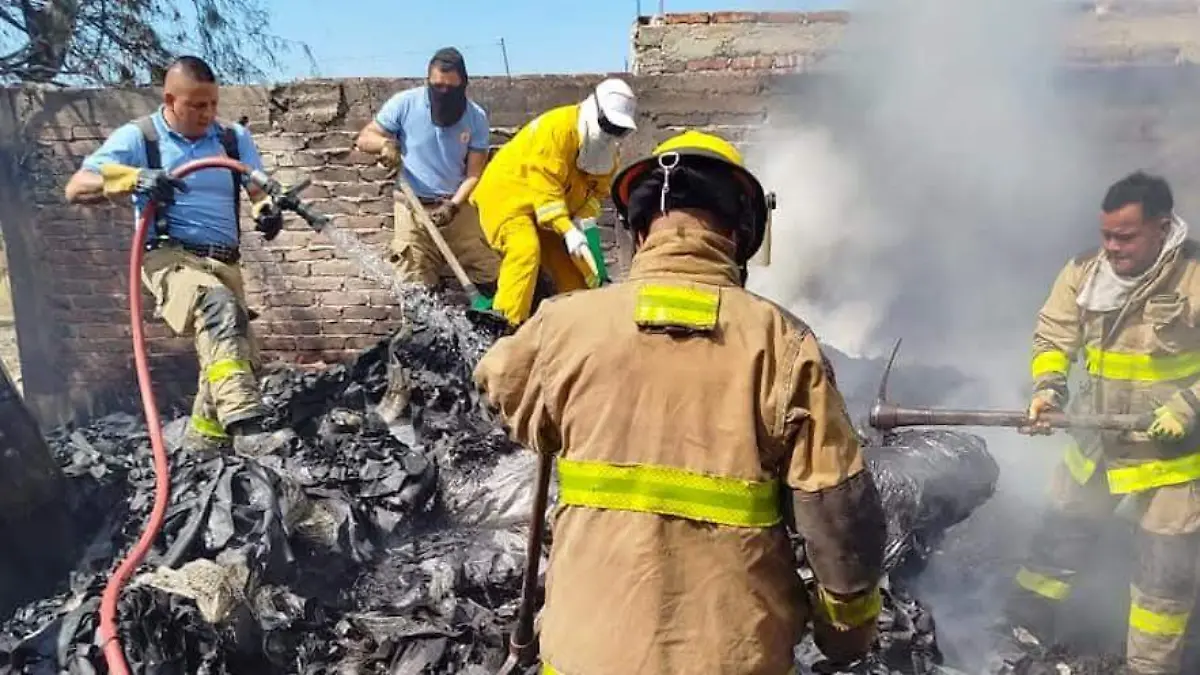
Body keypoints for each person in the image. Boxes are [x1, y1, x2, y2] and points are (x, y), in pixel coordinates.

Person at [473, 130, 887, 674]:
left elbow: (494, 386)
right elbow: (839, 514)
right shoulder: (784, 344)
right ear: (743, 232)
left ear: (637, 231)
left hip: (584, 657)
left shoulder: (561, 328)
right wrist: (846, 632)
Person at [996, 171, 1200, 675]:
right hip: (1099, 441)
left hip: (1171, 458)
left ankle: (1148, 669)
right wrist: (1048, 390)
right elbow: (1053, 337)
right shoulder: (1084, 273)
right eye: (1106, 235)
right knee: (1059, 536)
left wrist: (1188, 407)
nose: (1112, 247)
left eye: (1125, 237)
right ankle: (1020, 631)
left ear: (1160, 227)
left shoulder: (1193, 275)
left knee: (1162, 577)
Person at [64, 55, 285, 455]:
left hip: (224, 261)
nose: (208, 113)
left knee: (231, 353)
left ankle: (202, 444)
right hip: (168, 257)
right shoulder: (141, 139)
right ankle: (249, 430)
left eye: (213, 103)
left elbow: (257, 189)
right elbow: (77, 187)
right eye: (197, 105)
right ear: (170, 99)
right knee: (219, 310)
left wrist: (265, 210)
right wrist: (133, 178)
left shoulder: (232, 139)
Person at [469, 77, 638, 328]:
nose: (610, 133)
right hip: (507, 197)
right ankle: (505, 327)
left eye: (618, 129)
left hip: (549, 215)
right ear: (595, 110)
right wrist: (568, 230)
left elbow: (596, 196)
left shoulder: (606, 157)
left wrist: (581, 220)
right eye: (608, 125)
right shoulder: (556, 130)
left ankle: (578, 328)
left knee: (574, 271)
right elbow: (544, 187)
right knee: (525, 249)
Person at [355, 47, 499, 291]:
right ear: (428, 82)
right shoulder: (405, 104)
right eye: (437, 86)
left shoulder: (476, 117)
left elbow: (475, 173)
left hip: (456, 206)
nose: (443, 93)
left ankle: (491, 323)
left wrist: (452, 206)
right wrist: (385, 144)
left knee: (489, 272)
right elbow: (364, 138)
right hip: (411, 207)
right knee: (415, 284)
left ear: (463, 84)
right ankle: (420, 327)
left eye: (450, 88)